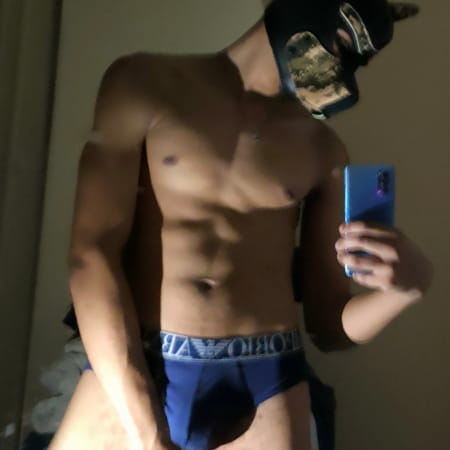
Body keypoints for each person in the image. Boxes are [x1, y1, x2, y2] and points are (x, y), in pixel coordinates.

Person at [48, 1, 433, 449]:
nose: (345, 75)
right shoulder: (142, 83)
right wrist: (147, 434)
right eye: (345, 47)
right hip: (141, 363)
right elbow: (91, 252)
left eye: (359, 62)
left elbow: (328, 326)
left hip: (265, 382)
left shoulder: (323, 149)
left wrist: (406, 289)